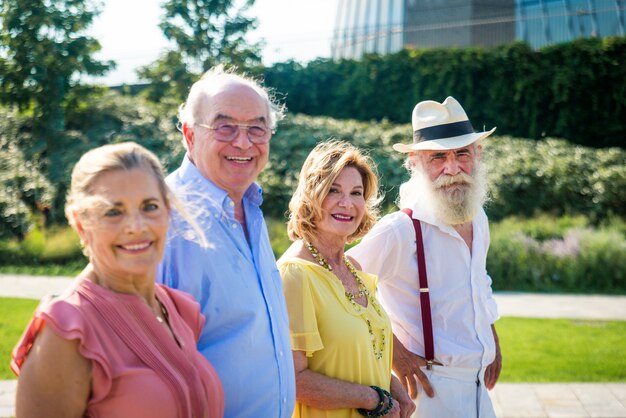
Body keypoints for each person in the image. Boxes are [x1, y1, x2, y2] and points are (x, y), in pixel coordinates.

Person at [11, 142, 224, 418]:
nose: (136, 226)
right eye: (113, 211)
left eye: (149, 206)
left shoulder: (178, 310)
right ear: (80, 223)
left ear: (167, 212)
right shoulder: (67, 331)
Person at [347, 97, 502, 417]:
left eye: (462, 153)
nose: (453, 168)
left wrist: (491, 338)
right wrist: (394, 353)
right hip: (426, 393)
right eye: (438, 157)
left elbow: (478, 284)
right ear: (415, 163)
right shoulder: (400, 230)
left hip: (477, 389)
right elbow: (335, 285)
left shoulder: (479, 219)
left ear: (478, 154)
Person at [157, 65, 295, 418]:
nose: (243, 142)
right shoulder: (160, 219)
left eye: (257, 128)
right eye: (225, 127)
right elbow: (131, 354)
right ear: (189, 135)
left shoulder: (250, 207)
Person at [278, 140, 415, 418]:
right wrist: (373, 399)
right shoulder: (295, 274)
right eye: (333, 190)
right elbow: (292, 379)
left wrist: (393, 388)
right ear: (311, 196)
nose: (347, 203)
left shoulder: (354, 270)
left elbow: (361, 353)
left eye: (356, 193)